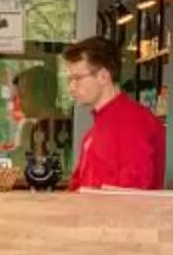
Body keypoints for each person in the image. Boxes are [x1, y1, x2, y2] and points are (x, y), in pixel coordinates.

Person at [61, 36, 166, 190]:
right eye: (70, 79)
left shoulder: (133, 123)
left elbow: (132, 194)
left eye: (77, 78)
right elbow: (77, 187)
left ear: (103, 76)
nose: (71, 87)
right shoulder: (93, 133)